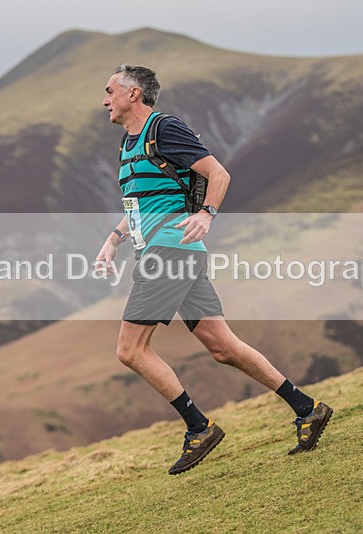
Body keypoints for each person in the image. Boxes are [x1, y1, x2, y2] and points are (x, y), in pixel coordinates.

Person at [96, 64, 332, 475]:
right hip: (175, 253)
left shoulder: (163, 128)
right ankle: (307, 409)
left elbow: (218, 173)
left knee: (130, 350)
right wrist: (114, 240)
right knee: (223, 347)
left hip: (168, 252)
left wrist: (206, 213)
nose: (104, 101)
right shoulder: (127, 144)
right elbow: (140, 203)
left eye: (110, 91)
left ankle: (198, 427)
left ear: (133, 94)